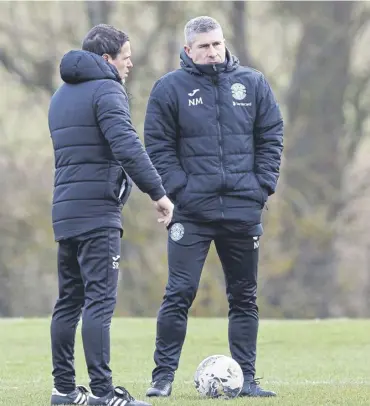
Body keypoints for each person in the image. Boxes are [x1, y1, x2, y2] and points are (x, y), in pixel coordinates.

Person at [144, 16, 283, 398]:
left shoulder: (252, 83)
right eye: (204, 46)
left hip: (243, 209)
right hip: (192, 211)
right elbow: (157, 146)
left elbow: (272, 134)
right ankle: (162, 378)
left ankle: (248, 379)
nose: (212, 51)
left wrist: (262, 186)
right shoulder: (169, 88)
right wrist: (181, 190)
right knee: (179, 292)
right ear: (189, 50)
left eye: (217, 44)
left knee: (244, 296)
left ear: (224, 43)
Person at [48, 24, 173, 406]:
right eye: (126, 55)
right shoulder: (107, 91)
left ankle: (65, 391)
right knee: (99, 304)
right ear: (106, 59)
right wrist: (159, 193)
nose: (131, 62)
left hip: (65, 212)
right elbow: (127, 146)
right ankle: (104, 394)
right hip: (97, 214)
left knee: (69, 301)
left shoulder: (60, 96)